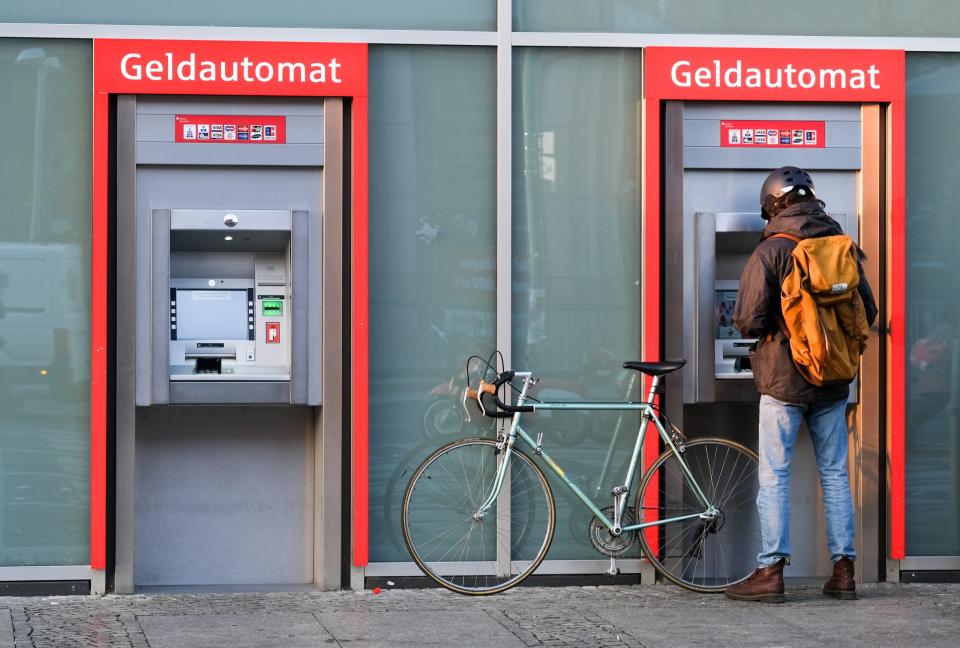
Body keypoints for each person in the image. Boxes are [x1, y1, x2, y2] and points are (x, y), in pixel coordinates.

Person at [725, 166, 878, 603]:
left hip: (783, 381)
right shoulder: (840, 246)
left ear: (772, 204)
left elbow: (748, 320)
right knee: (834, 475)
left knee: (775, 476)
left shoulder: (771, 249)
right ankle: (844, 571)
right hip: (832, 380)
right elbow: (866, 311)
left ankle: (770, 571)